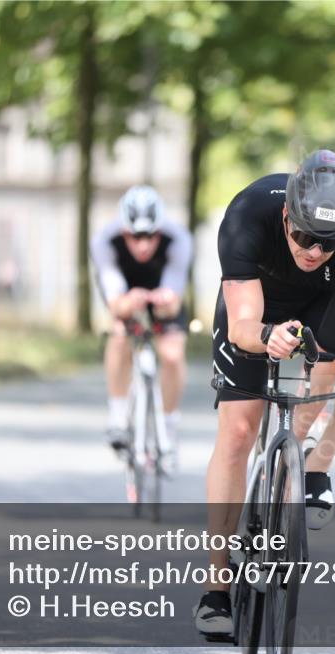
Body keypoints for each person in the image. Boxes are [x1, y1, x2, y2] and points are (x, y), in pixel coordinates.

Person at [192, 149, 335, 636]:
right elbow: (243, 325)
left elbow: (323, 365)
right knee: (239, 431)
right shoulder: (248, 216)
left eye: (328, 243)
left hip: (325, 304)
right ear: (287, 215)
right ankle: (216, 586)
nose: (313, 252)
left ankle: (314, 465)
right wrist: (268, 337)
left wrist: (291, 459)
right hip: (258, 310)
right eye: (305, 236)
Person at [89, 185, 192, 470]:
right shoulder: (104, 241)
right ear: (124, 232)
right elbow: (115, 303)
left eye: (151, 236)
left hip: (163, 293)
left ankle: (168, 428)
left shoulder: (179, 239)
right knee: (120, 333)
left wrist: (165, 302)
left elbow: (173, 303)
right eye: (135, 237)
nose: (143, 245)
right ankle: (118, 416)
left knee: (172, 353)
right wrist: (129, 302)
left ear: (161, 231)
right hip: (125, 294)